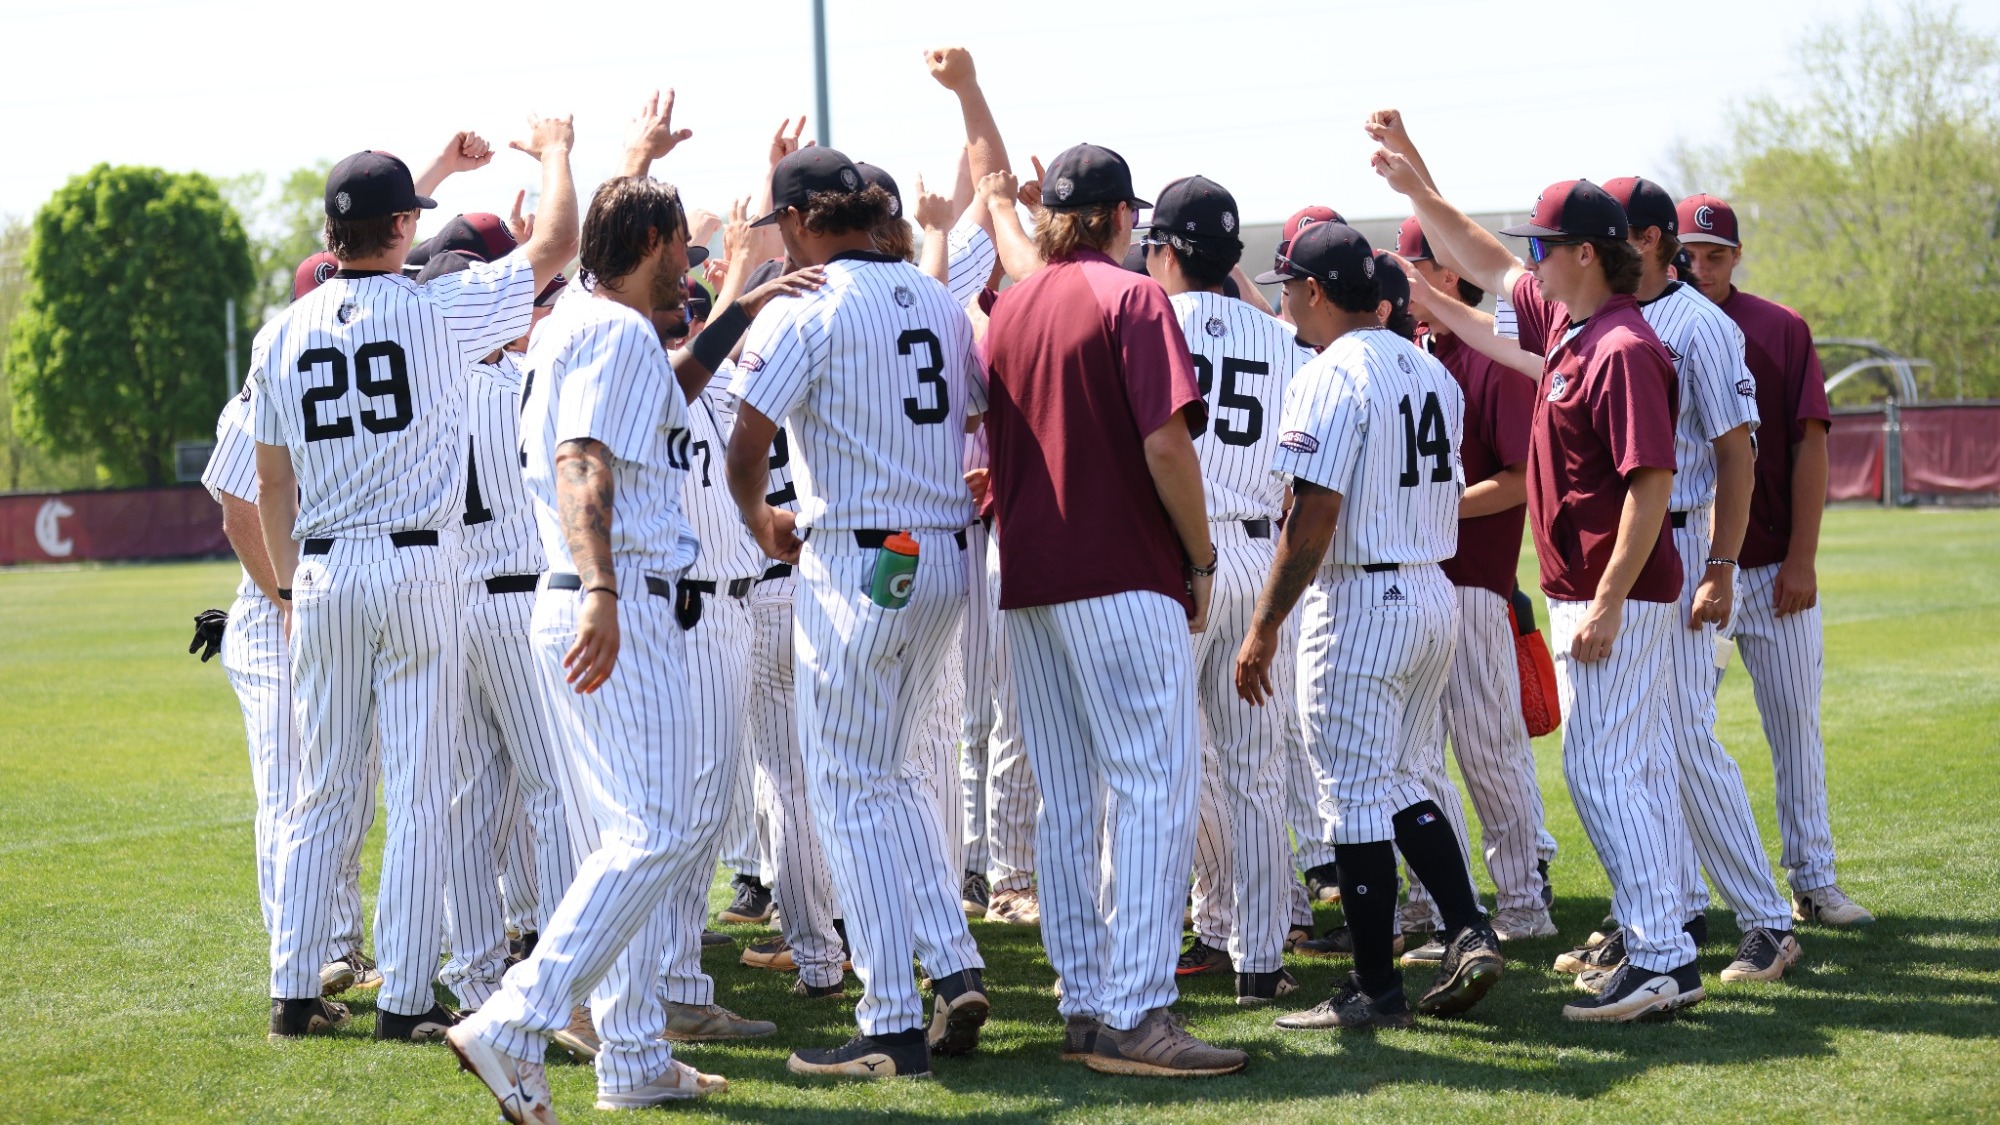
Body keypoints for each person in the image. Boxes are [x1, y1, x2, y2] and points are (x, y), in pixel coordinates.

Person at [253, 122, 574, 1043]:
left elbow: (272, 482)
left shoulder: (282, 330)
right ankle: (402, 1002)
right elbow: (553, 247)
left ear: (329, 231)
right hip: (415, 563)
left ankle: (292, 989)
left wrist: (283, 591)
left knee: (322, 787)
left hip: (320, 565)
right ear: (401, 227)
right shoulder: (436, 309)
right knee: (422, 788)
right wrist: (555, 151)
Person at [1375, 148, 1704, 1021]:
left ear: (1588, 253)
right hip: (1593, 590)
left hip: (1618, 594)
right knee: (1614, 769)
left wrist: (1604, 600)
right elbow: (1487, 263)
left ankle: (1662, 953)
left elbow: (1651, 485)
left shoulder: (1625, 345)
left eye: (1548, 245)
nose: (1535, 258)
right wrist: (1415, 189)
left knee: (1606, 773)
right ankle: (1656, 940)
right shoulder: (1572, 329)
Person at [448, 171, 730, 1114]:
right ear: (651, 234)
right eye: (683, 244)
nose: (688, 261)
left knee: (637, 834)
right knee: (657, 831)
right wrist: (604, 584)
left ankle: (634, 1053)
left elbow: (654, 407)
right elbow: (583, 456)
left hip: (590, 591)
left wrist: (742, 307)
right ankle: (516, 1020)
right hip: (611, 594)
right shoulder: (611, 327)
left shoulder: (579, 318)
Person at [980, 141, 1245, 1078]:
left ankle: (1087, 1002)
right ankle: (1139, 1012)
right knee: (1153, 789)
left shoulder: (1007, 308)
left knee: (1064, 799)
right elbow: (1167, 445)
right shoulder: (1133, 296)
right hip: (1122, 573)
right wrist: (1203, 557)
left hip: (1031, 580)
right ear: (1123, 215)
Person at [725, 146, 988, 1079]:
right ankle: (952, 963)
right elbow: (981, 412)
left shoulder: (809, 303)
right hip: (943, 549)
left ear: (799, 220)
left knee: (846, 782)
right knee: (893, 774)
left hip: (864, 559)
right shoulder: (939, 296)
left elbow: (746, 432)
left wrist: (758, 517)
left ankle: (887, 1019)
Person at [1234, 220, 1503, 1032]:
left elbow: (1312, 516)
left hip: (1360, 598)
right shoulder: (1429, 368)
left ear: (1315, 291)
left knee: (1352, 797)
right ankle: (1466, 926)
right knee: (1405, 782)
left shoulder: (1327, 373)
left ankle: (1372, 986)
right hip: (1431, 588)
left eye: (1287, 286)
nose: (1285, 300)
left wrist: (1264, 624)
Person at [1140, 174, 1311, 1007]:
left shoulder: (1146, 318)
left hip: (1177, 566)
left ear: (1166, 250)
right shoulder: (1284, 340)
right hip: (1256, 551)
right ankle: (1260, 958)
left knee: (1155, 769)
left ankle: (1140, 954)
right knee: (1254, 771)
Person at [1678, 192, 1871, 927]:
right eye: (1689, 255)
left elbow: (1809, 443)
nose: (1701, 266)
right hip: (1692, 573)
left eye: (1715, 254)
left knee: (1795, 723)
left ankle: (1814, 880)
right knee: (1681, 731)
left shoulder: (1780, 328)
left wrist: (1802, 557)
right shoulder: (1653, 326)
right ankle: (1679, 892)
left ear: (1736, 256)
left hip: (1770, 572)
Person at [198, 255, 377, 999]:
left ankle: (336, 946)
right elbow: (239, 508)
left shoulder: (346, 377)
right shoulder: (268, 385)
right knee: (290, 792)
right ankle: (297, 963)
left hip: (321, 603)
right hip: (277, 615)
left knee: (345, 786)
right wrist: (285, 601)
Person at [1394, 217, 1558, 947]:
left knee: (1489, 750)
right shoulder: (1417, 356)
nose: (1401, 284)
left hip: (1474, 582)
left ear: (1450, 275)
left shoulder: (1494, 360)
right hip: (1417, 585)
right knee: (1415, 756)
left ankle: (1524, 897)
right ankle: (1439, 902)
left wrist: (1437, 504)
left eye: (1413, 268)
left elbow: (1522, 478)